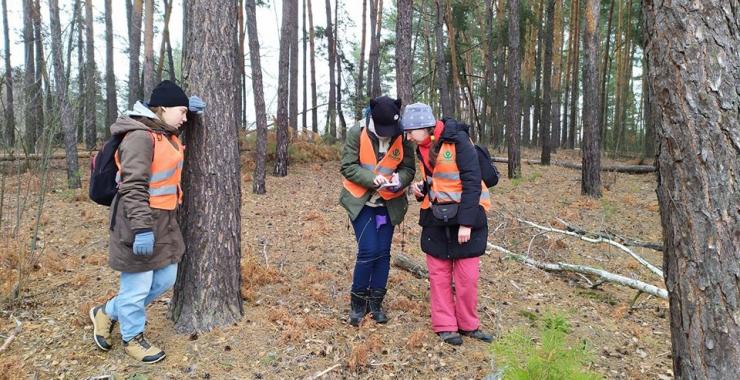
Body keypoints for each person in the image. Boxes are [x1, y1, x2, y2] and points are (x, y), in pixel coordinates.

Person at [89, 80, 204, 363]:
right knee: (137, 287)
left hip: (163, 222)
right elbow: (133, 186)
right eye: (182, 111)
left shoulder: (162, 131)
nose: (185, 118)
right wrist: (141, 229)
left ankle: (108, 311)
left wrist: (190, 109)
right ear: (162, 109)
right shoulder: (139, 137)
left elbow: (166, 142)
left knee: (166, 279)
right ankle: (132, 339)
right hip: (136, 222)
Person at [401, 103, 493, 345]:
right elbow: (436, 180)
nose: (408, 136)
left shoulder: (459, 141)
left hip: (466, 217)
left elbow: (472, 182)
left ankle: (468, 325)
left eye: (410, 131)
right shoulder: (422, 147)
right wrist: (421, 190)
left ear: (425, 126)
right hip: (435, 218)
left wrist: (466, 224)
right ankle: (445, 326)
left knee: (467, 276)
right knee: (439, 274)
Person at [340, 96, 416, 326]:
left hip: (389, 203)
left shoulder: (402, 136)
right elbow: (347, 167)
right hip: (361, 202)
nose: (386, 133)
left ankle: (376, 303)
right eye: (382, 129)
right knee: (368, 250)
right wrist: (374, 179)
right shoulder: (357, 132)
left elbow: (409, 168)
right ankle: (357, 304)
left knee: (383, 253)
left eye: (390, 129)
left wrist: (398, 181)